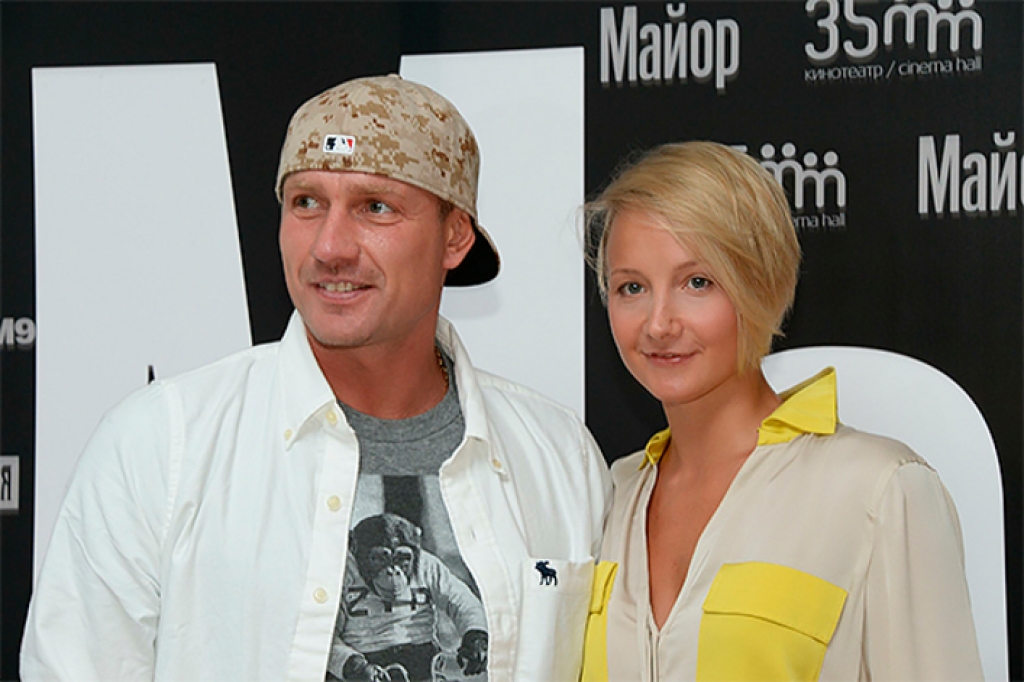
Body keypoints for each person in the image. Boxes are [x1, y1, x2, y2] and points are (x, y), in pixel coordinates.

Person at [21, 74, 610, 682]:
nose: (329, 247)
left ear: (455, 236)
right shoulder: (160, 446)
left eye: (375, 207)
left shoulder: (559, 457)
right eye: (306, 203)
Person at [579, 141, 983, 681]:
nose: (658, 324)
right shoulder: (610, 496)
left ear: (761, 284)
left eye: (697, 282)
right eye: (631, 287)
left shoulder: (880, 490)